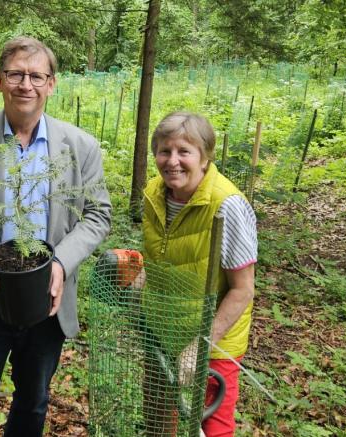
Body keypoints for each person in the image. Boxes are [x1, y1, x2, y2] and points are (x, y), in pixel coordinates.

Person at [0, 36, 112, 437]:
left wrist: (61, 263)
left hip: (47, 296)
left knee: (33, 404)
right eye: (15, 74)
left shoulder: (79, 146)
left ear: (52, 84)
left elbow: (99, 215)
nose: (25, 84)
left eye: (36, 75)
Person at [141, 111, 258, 437]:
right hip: (162, 335)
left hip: (211, 345)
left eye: (184, 152)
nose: (172, 161)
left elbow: (242, 290)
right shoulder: (154, 193)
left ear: (205, 158)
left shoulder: (227, 205)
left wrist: (200, 346)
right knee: (159, 421)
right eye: (164, 151)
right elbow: (165, 258)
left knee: (212, 428)